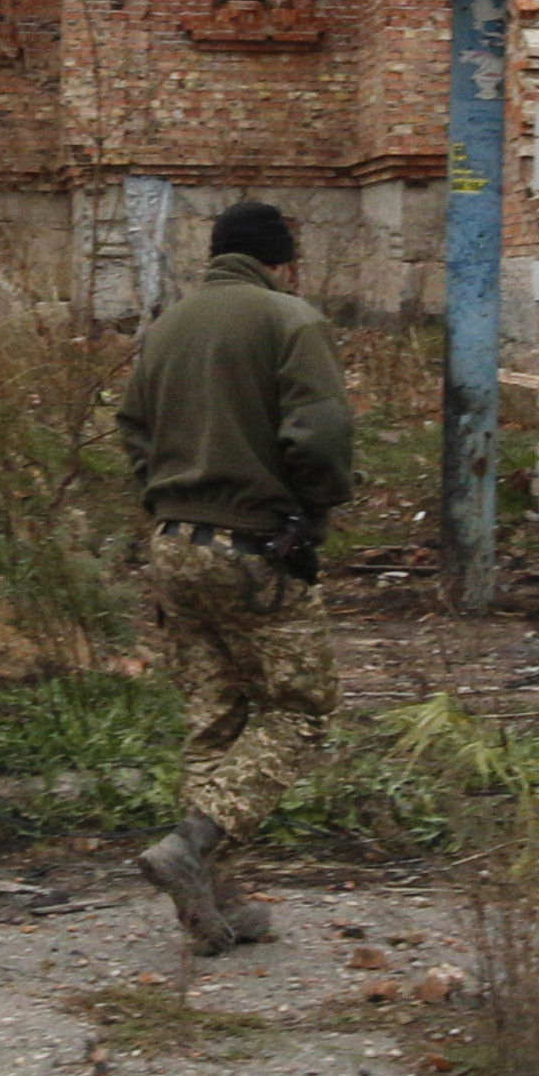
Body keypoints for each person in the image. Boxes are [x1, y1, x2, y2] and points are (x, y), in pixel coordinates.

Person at [116, 199, 353, 953]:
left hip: (172, 545)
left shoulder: (166, 328)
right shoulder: (290, 319)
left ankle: (217, 901)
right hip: (256, 549)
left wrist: (169, 493)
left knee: (214, 719)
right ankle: (194, 842)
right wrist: (311, 514)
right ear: (281, 261)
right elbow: (322, 437)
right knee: (301, 709)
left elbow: (132, 429)